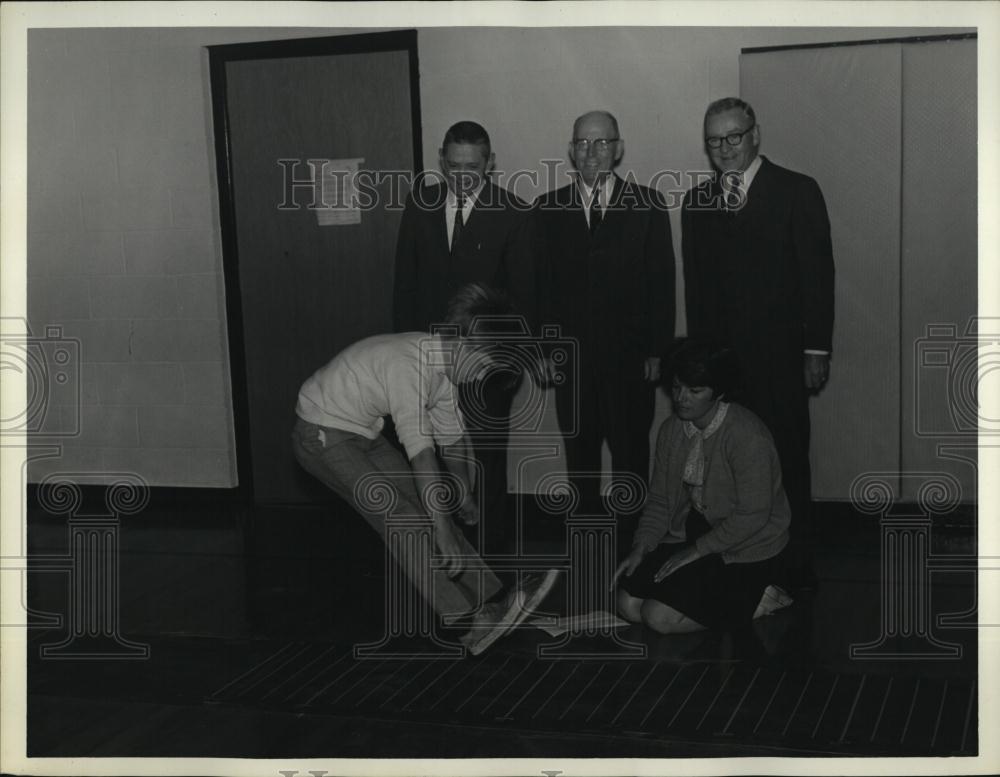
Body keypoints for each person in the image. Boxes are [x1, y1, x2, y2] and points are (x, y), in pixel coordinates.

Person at [292, 282, 558, 656]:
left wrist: (462, 490)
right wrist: (444, 529)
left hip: (360, 431)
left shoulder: (442, 372)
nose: (483, 378)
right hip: (321, 433)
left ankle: (495, 597)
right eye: (484, 366)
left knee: (429, 510)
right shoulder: (410, 366)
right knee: (404, 519)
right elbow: (422, 455)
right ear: (464, 344)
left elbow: (452, 442)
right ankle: (465, 623)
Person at [681, 97, 835, 588]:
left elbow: (818, 276)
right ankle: (741, 565)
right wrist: (701, 367)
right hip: (725, 367)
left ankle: (794, 570)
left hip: (782, 359)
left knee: (785, 457)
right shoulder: (696, 202)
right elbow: (698, 290)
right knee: (727, 464)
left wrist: (817, 349)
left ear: (755, 135)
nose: (724, 148)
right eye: (714, 140)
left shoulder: (796, 190)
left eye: (734, 137)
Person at [393, 121, 535, 557]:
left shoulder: (513, 213)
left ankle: (492, 563)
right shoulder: (421, 206)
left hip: (487, 366)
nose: (461, 177)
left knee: (486, 463)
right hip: (426, 360)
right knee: (428, 457)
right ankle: (439, 554)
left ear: (490, 164)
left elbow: (523, 299)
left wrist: (505, 363)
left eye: (472, 167)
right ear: (441, 159)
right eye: (452, 166)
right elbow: (405, 286)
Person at [533, 110, 675, 522]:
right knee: (580, 457)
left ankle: (633, 553)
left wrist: (658, 352)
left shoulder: (648, 204)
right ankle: (588, 547)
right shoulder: (547, 208)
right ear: (570, 150)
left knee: (631, 455)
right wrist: (543, 350)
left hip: (630, 360)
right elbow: (541, 288)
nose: (591, 152)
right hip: (572, 361)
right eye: (582, 143)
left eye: (601, 142)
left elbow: (662, 285)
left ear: (619, 148)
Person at [611, 339, 793, 634]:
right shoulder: (672, 430)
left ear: (719, 392)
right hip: (701, 536)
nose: (682, 398)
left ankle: (760, 601)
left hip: (750, 547)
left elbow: (754, 515)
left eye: (695, 391)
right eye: (677, 387)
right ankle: (724, 600)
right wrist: (641, 547)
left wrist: (697, 551)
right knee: (628, 605)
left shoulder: (747, 436)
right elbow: (659, 501)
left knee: (658, 618)